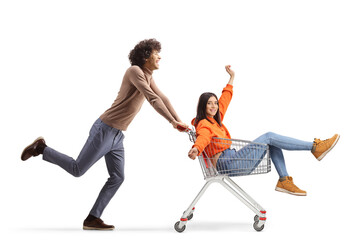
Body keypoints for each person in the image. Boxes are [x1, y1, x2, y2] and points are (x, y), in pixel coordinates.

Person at [21, 39, 188, 230]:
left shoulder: (148, 76)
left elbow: (163, 97)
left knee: (118, 177)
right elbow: (152, 98)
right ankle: (42, 148)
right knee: (78, 169)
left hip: (117, 136)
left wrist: (178, 120)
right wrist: (172, 122)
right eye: (156, 53)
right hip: (105, 129)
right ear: (145, 56)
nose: (160, 56)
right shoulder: (134, 71)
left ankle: (92, 218)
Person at [188, 65, 339, 196]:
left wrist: (232, 78)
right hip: (227, 163)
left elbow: (225, 99)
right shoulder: (204, 124)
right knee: (269, 136)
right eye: (209, 104)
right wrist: (196, 148)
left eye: (214, 103)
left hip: (233, 158)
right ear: (203, 106)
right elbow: (204, 137)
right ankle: (315, 147)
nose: (214, 106)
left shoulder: (215, 119)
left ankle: (284, 180)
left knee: (272, 142)